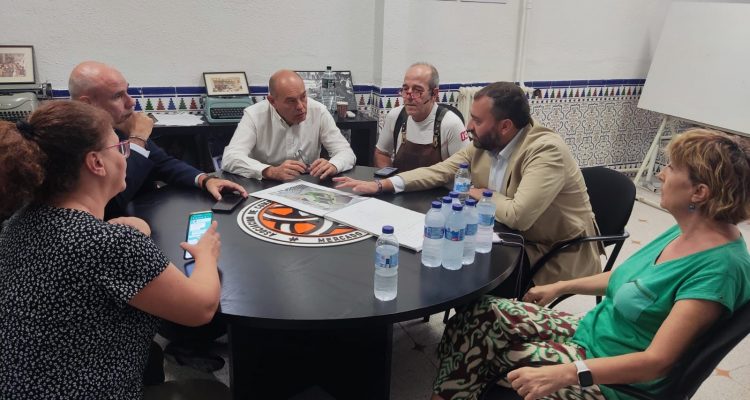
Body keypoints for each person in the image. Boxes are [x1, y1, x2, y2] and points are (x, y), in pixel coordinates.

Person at [430, 129, 750, 400]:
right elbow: (628, 280)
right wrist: (561, 286)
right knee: (481, 312)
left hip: (613, 379)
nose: (661, 174)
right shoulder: (687, 230)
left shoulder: (720, 269)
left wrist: (568, 373)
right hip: (592, 334)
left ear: (699, 192)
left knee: (484, 351)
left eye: (671, 168)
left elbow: (657, 361)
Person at [0, 101, 222, 398]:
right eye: (120, 147)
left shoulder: (18, 221)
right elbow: (201, 309)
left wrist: (127, 233)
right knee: (210, 391)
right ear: (96, 163)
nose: (125, 155)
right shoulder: (110, 245)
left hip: (22, 385)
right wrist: (206, 254)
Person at [335, 81, 602, 288]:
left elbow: (518, 216)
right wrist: (383, 185)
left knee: (468, 274)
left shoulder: (545, 151)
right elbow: (440, 171)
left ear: (505, 126)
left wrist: (480, 193)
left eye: (478, 120)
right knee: (441, 253)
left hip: (550, 250)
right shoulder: (485, 143)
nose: (469, 125)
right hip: (501, 236)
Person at [68, 61, 247, 220]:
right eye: (117, 96)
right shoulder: (69, 141)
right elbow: (113, 200)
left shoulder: (118, 126)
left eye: (127, 91)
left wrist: (205, 180)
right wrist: (138, 138)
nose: (131, 102)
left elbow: (162, 163)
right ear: (87, 104)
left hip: (143, 219)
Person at [221, 69, 356, 181]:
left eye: (303, 97)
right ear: (272, 101)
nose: (300, 107)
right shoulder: (254, 115)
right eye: (291, 101)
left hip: (307, 185)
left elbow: (346, 153)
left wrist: (333, 165)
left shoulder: (318, 111)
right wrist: (270, 171)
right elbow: (230, 158)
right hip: (265, 185)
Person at [374, 63, 469, 172]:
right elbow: (381, 154)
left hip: (437, 183)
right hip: (400, 182)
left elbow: (464, 171)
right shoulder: (395, 116)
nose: (409, 97)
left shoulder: (451, 124)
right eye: (405, 89)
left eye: (417, 90)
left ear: (434, 94)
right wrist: (391, 178)